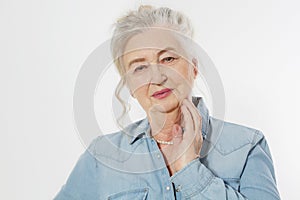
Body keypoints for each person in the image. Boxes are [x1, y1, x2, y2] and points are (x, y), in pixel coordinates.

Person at [55, 5, 280, 200]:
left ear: (193, 67)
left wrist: (190, 170)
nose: (157, 77)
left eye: (168, 59)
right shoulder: (101, 156)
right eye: (140, 67)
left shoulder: (247, 146)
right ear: (130, 86)